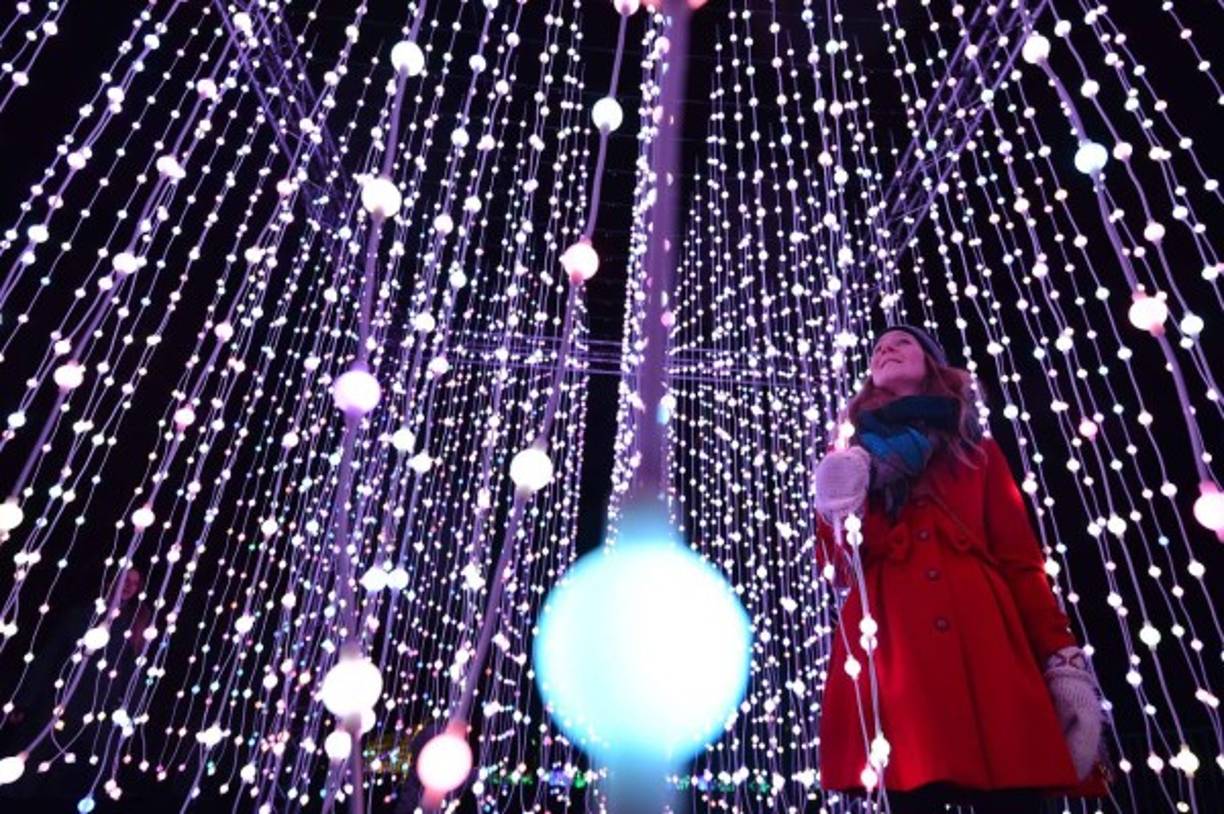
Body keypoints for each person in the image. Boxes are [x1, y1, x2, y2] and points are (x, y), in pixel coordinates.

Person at [812, 326, 1108, 814]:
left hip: (988, 646)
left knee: (1013, 794)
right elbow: (841, 570)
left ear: (932, 363)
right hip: (893, 650)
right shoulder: (850, 458)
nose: (885, 348)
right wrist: (837, 512)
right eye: (878, 347)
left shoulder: (979, 453)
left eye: (902, 343)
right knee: (913, 791)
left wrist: (1061, 657)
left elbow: (1020, 559)